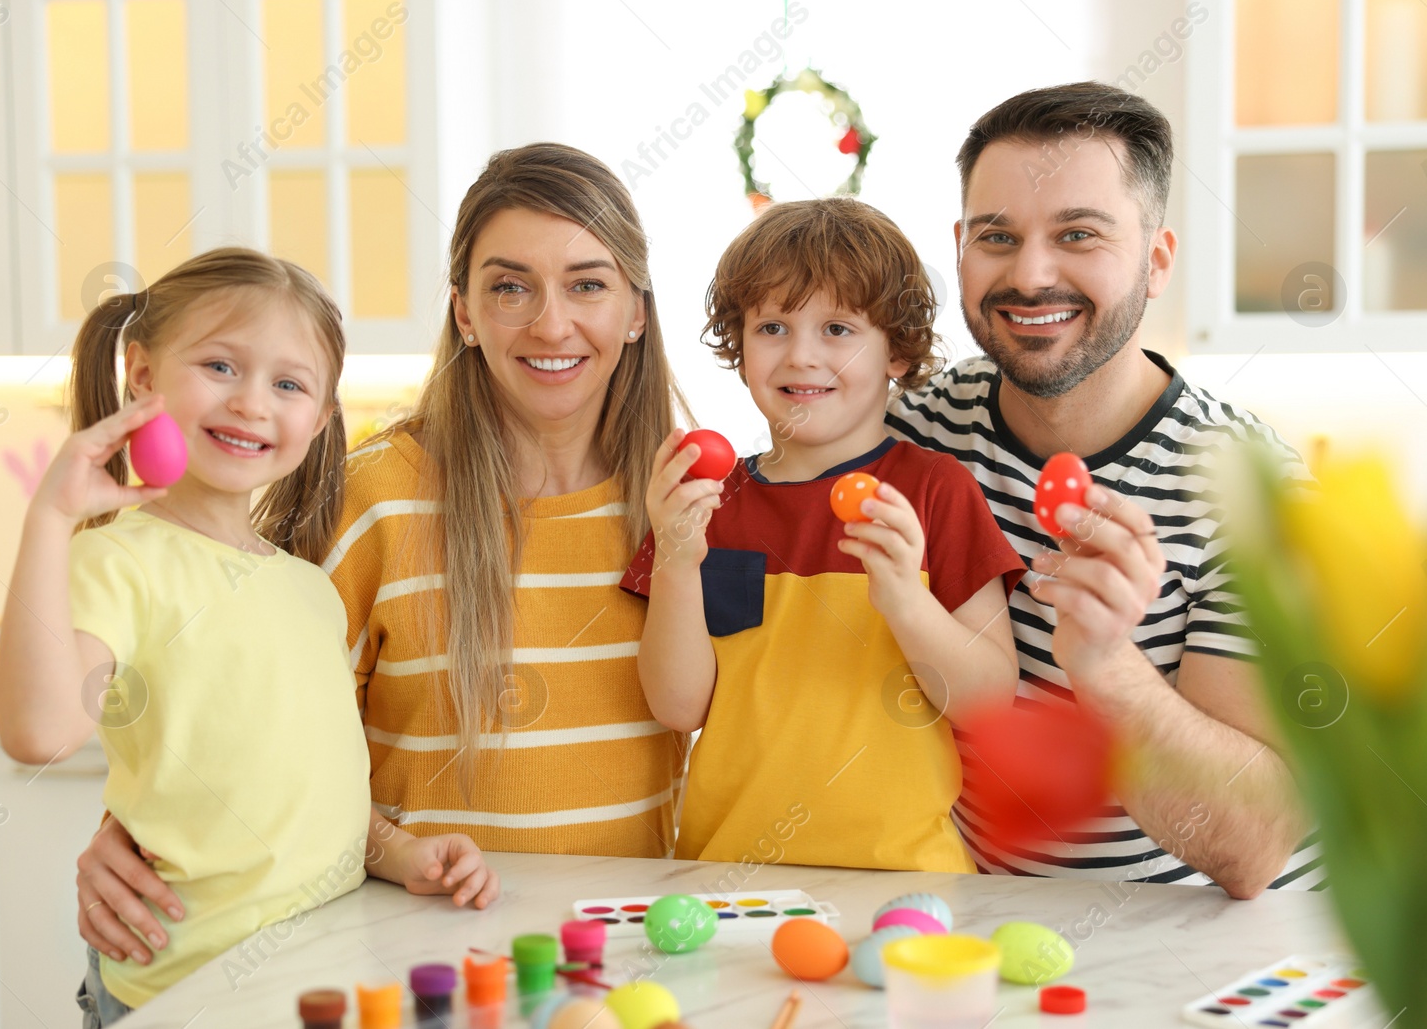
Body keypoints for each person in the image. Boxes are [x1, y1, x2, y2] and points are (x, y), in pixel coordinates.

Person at [70, 146, 692, 965]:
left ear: (636, 311)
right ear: (464, 312)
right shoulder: (376, 498)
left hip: (626, 947)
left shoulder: (683, 500)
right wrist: (129, 825)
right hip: (410, 951)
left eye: (588, 284)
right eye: (509, 286)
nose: (550, 323)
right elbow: (235, 705)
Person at [0, 248, 496, 1025]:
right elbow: (39, 731)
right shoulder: (118, 560)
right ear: (143, 373)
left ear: (322, 418)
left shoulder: (309, 588)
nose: (253, 402)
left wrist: (396, 853)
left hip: (318, 971)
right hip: (187, 994)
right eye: (222, 366)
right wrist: (50, 519)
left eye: (289, 384)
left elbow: (311, 785)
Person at [886, 82, 1320, 897]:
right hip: (988, 929)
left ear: (1156, 261)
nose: (1030, 273)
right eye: (997, 236)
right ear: (959, 248)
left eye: (1078, 234)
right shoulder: (911, 438)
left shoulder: (1255, 496)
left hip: (1201, 952)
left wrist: (1104, 663)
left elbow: (1251, 847)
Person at [625, 198, 1024, 872]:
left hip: (906, 878)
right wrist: (677, 561)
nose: (801, 355)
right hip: (727, 876)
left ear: (896, 351)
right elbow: (677, 705)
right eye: (773, 326)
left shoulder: (934, 491)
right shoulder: (705, 502)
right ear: (741, 346)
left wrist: (905, 600)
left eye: (837, 328)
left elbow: (988, 701)